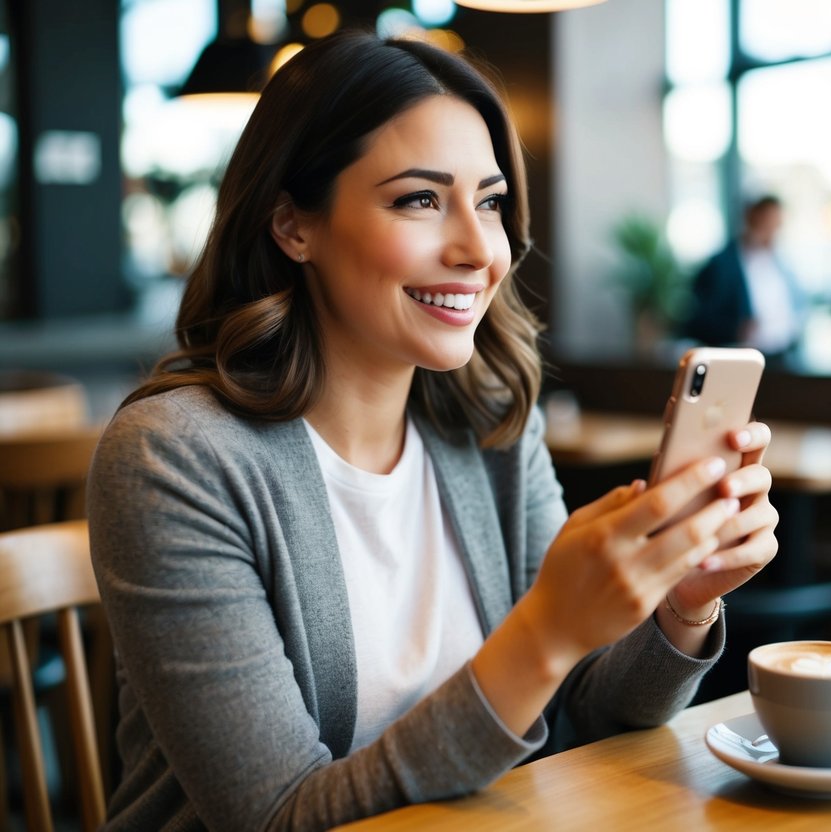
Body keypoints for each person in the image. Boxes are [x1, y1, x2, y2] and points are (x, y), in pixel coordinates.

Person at [86, 32, 779, 831]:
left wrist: (682, 602)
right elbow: (277, 816)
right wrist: (545, 631)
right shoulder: (176, 457)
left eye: (488, 201)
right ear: (292, 225)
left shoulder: (487, 426)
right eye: (419, 199)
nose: (479, 248)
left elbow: (589, 712)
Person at [680, 195, 808, 366]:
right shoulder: (721, 264)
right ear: (751, 218)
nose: (771, 231)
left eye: (776, 225)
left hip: (780, 356)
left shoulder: (779, 263)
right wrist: (736, 330)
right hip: (740, 358)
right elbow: (697, 319)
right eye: (767, 223)